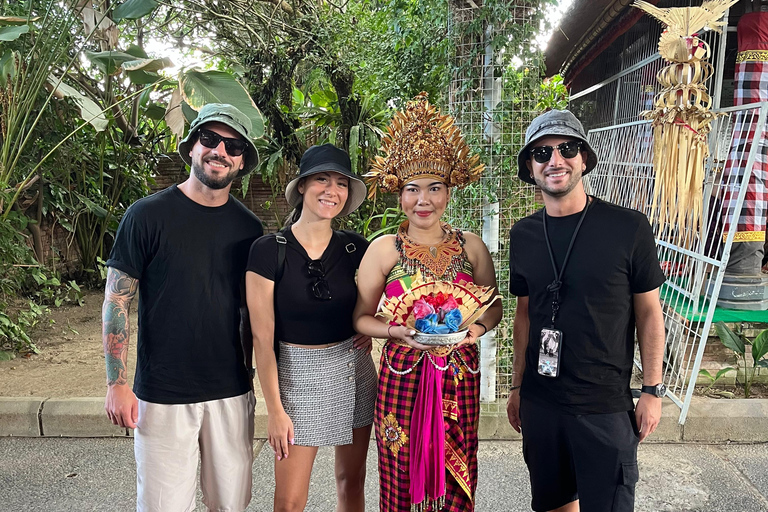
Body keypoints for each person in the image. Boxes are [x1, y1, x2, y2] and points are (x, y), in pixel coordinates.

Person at [102, 103, 264, 511]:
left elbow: (255, 313)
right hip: (163, 393)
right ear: (192, 146)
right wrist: (116, 383)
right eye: (210, 139)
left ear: (241, 161)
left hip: (231, 389)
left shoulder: (249, 229)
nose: (220, 151)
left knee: (231, 504)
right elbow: (117, 298)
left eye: (233, 146)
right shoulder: (146, 216)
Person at [505, 109, 667, 512]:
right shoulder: (523, 235)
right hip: (541, 402)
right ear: (530, 167)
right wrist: (517, 387)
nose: (555, 160)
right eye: (542, 153)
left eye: (567, 148)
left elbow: (649, 313)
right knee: (553, 504)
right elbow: (524, 315)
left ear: (584, 157)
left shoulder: (628, 227)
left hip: (604, 404)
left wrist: (652, 390)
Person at [353, 94, 503, 512]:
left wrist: (476, 329)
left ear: (449, 191)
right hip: (402, 375)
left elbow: (493, 306)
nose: (424, 200)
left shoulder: (472, 246)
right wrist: (394, 331)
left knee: (459, 470)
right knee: (400, 472)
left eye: (435, 188)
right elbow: (361, 318)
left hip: (459, 376)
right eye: (412, 189)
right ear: (399, 195)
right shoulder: (383, 249)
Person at [246, 143, 377, 512]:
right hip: (298, 376)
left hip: (354, 370)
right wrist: (275, 410)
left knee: (351, 481)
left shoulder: (355, 248)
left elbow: (392, 294)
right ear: (302, 185)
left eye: (341, 183)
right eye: (322, 179)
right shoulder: (268, 250)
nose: (331, 190)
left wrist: (369, 325)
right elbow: (262, 338)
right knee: (289, 500)